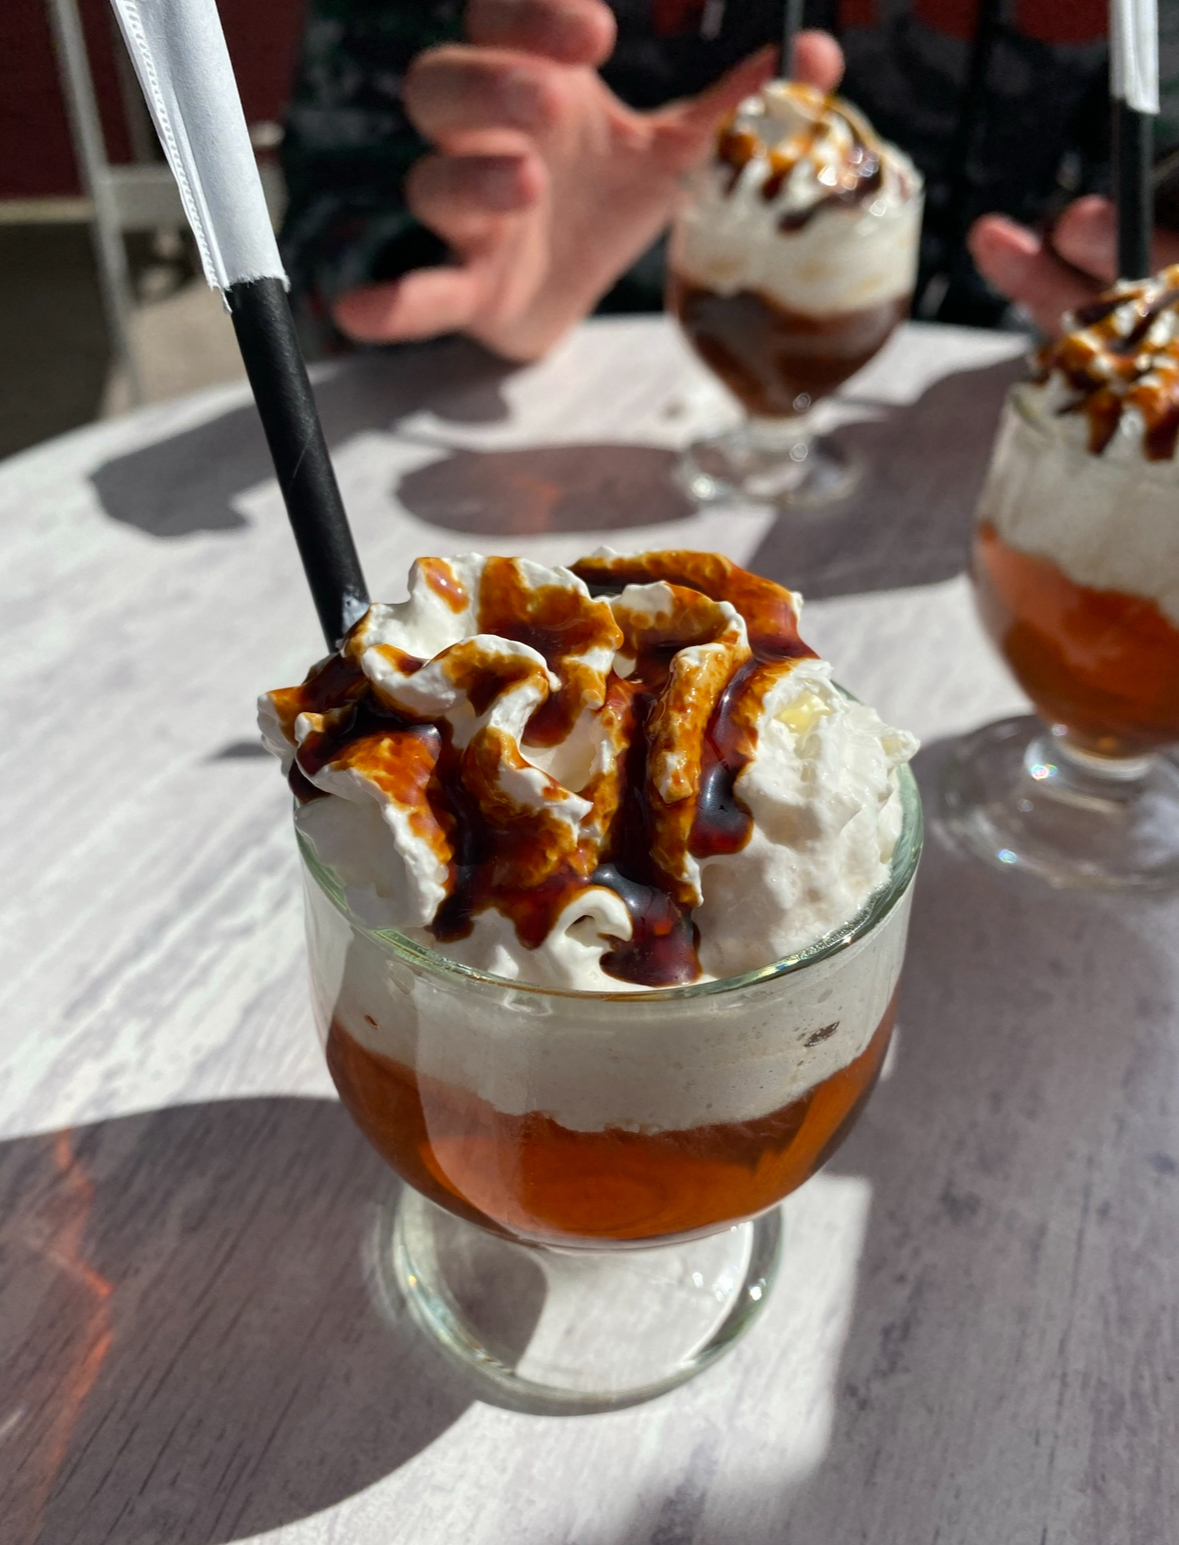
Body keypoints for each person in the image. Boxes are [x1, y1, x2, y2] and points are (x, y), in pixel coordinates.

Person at [279, 0, 1179, 359]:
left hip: (989, 450)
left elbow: (1153, 187)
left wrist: (1139, 284)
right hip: (541, 456)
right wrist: (453, 264)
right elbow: (319, 235)